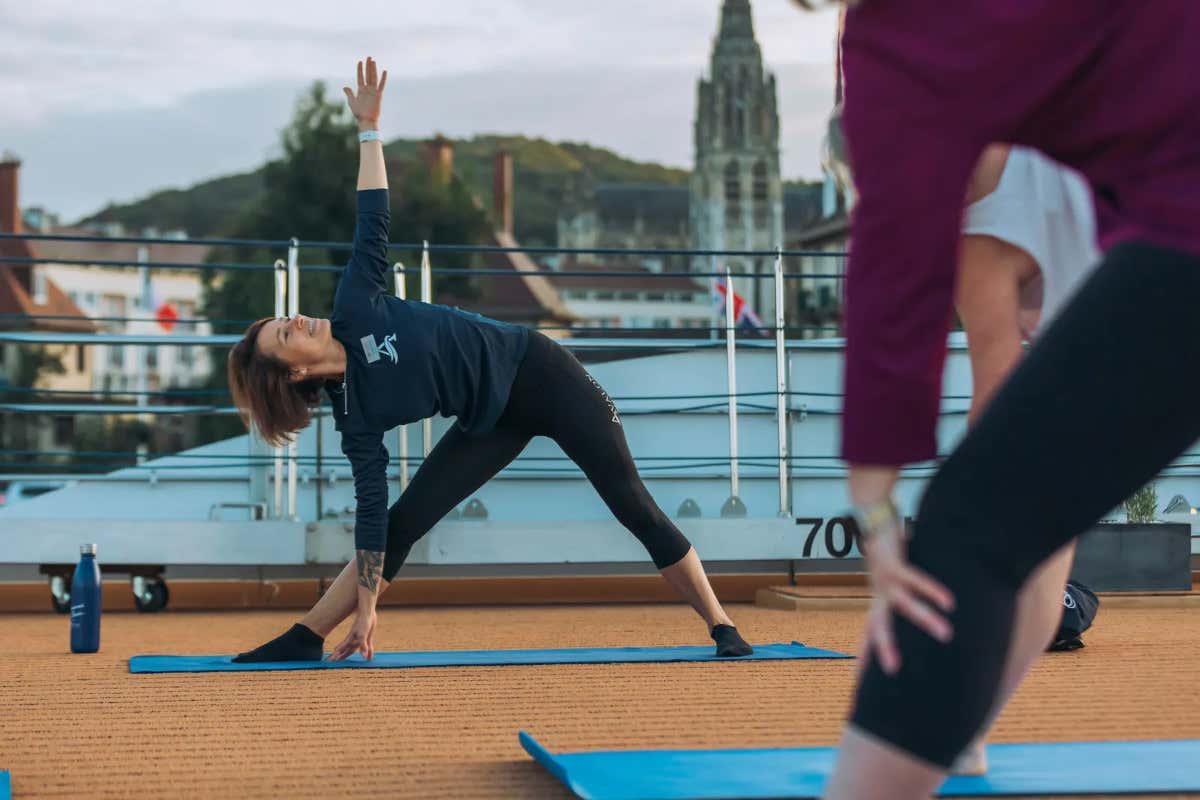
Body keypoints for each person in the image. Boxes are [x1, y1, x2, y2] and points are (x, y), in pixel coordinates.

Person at [797, 2, 1200, 798]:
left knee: (971, 528)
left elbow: (942, 326)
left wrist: (882, 516)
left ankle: (948, 745)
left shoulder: (911, 58)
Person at [226, 58, 753, 664]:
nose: (296, 319)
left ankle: (721, 625)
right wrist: (368, 611)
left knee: (630, 500)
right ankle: (305, 638)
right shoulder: (356, 416)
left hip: (543, 373)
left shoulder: (356, 303)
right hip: (488, 420)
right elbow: (371, 520)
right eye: (285, 335)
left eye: (285, 317)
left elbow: (373, 216)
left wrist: (369, 129)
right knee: (399, 523)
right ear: (294, 373)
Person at [949, 143, 1100, 775]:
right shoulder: (1050, 141)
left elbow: (993, 392)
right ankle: (967, 733)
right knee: (1042, 558)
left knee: (1024, 555)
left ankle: (965, 734)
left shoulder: (978, 233)